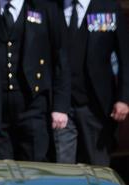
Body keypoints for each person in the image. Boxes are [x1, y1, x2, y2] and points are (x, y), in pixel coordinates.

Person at [0, 0, 70, 162]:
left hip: (33, 104)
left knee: (35, 164)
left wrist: (60, 106)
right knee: (1, 170)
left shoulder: (45, 9)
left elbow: (61, 58)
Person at [53, 0, 129, 165]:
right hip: (60, 105)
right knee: (62, 168)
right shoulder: (53, 7)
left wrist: (123, 98)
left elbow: (125, 56)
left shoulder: (108, 7)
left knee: (97, 167)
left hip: (96, 105)